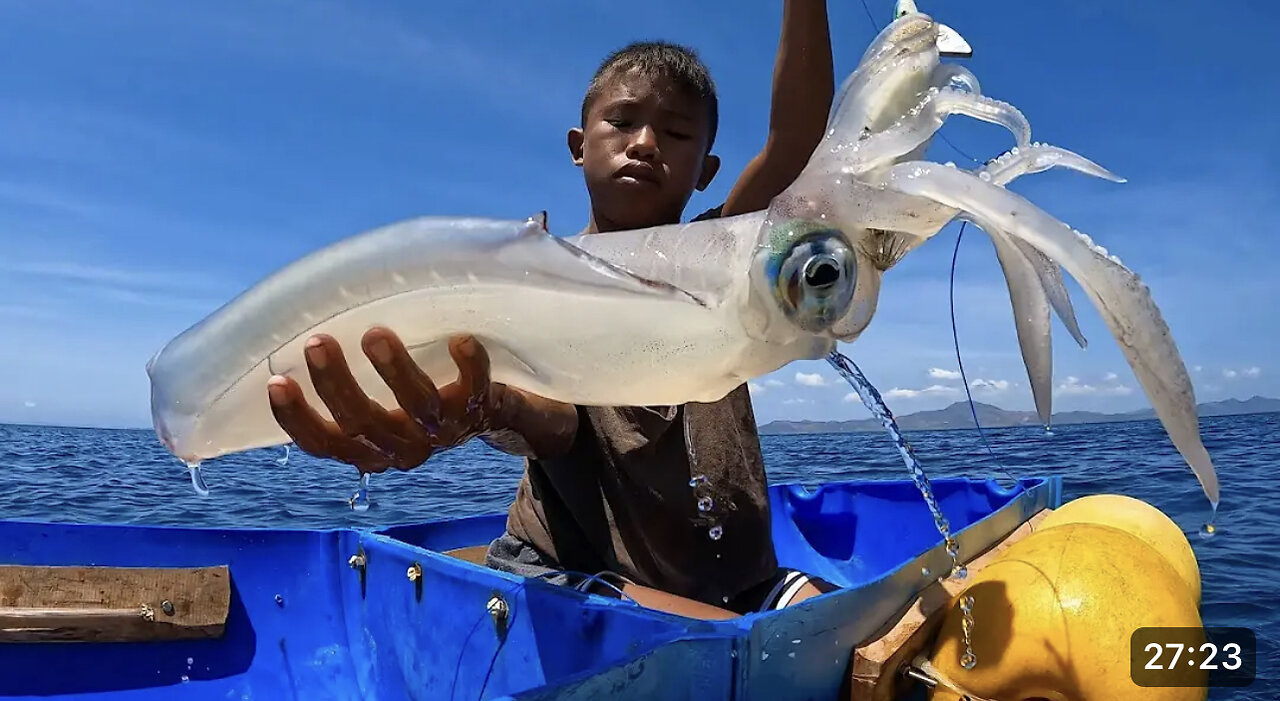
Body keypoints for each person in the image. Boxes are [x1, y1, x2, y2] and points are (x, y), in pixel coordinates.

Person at [266, 1, 838, 618]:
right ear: (578, 145)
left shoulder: (725, 256)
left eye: (675, 134)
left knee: (859, 626)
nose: (645, 143)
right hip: (575, 571)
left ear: (707, 171)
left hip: (740, 577)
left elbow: (795, 143)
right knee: (746, 641)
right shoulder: (541, 280)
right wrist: (489, 403)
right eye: (622, 122)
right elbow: (556, 422)